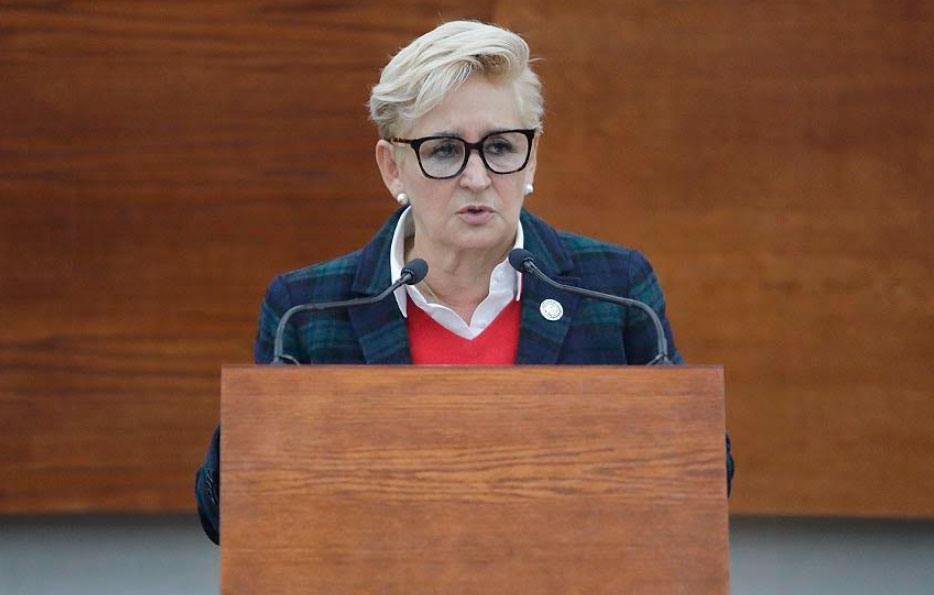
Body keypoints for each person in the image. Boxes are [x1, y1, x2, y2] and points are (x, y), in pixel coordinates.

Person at [195, 20, 733, 545]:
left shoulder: (615, 290)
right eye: (445, 151)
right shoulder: (309, 309)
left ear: (531, 158)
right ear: (392, 167)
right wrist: (257, 428)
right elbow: (226, 514)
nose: (477, 178)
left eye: (500, 148)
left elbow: (703, 480)